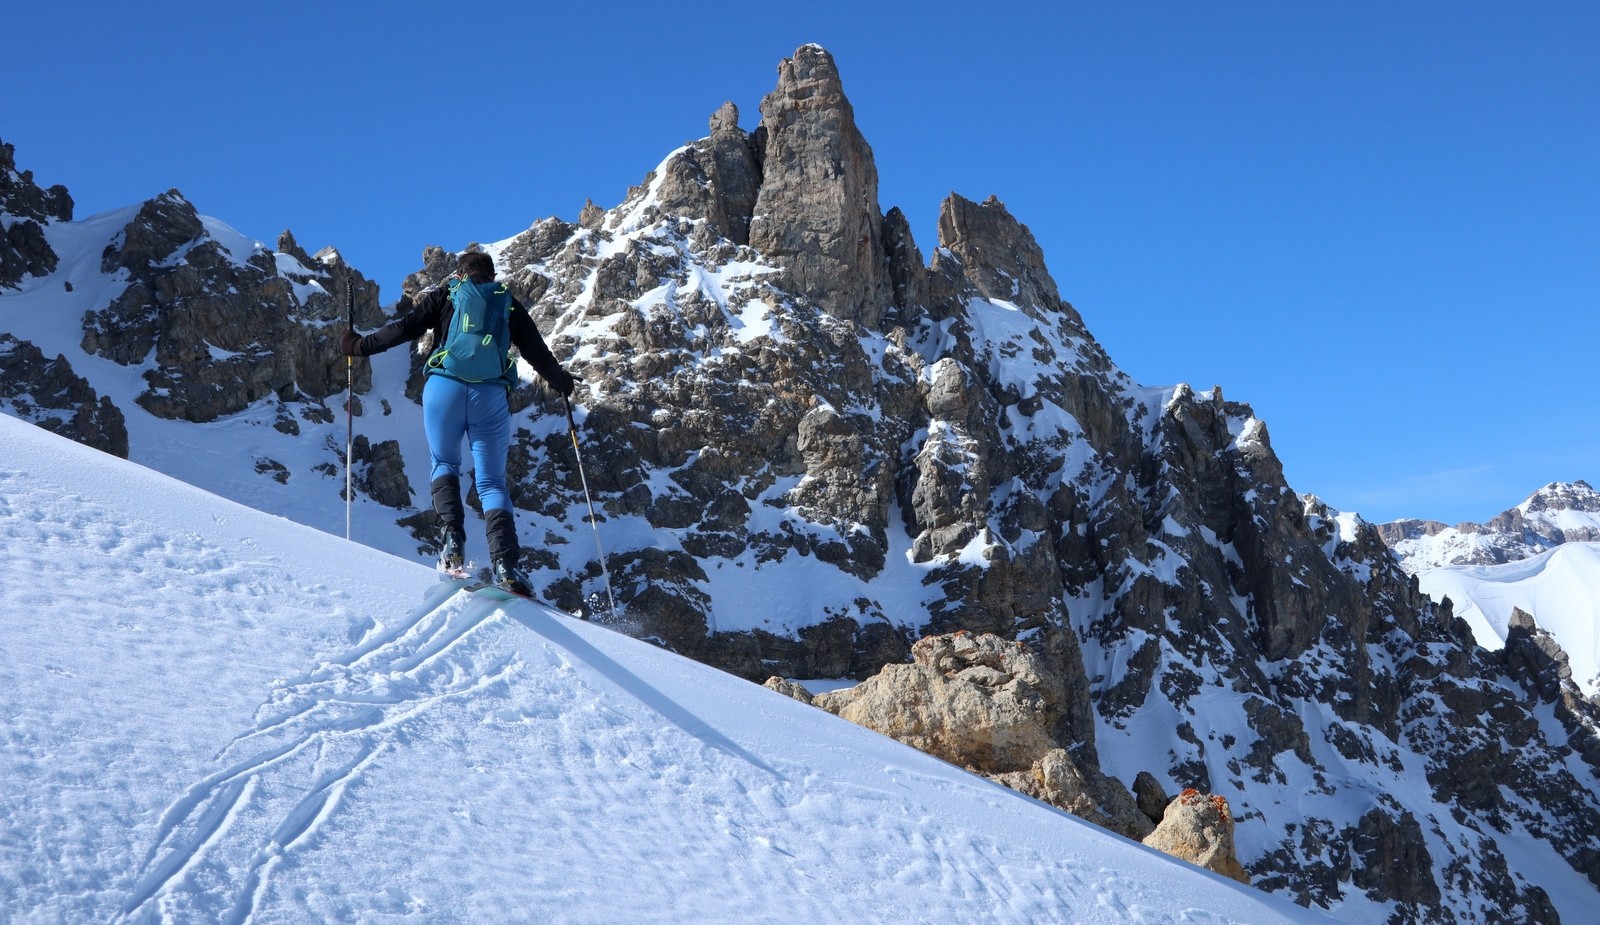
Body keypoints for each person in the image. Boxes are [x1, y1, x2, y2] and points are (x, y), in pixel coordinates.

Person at [340, 251, 574, 594]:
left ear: (460, 274)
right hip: (490, 397)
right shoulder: (506, 303)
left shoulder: (448, 294)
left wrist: (358, 346)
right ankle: (506, 564)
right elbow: (536, 352)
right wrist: (561, 381)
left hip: (443, 389)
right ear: (491, 276)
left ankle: (452, 546)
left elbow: (404, 328)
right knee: (492, 483)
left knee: (445, 463)